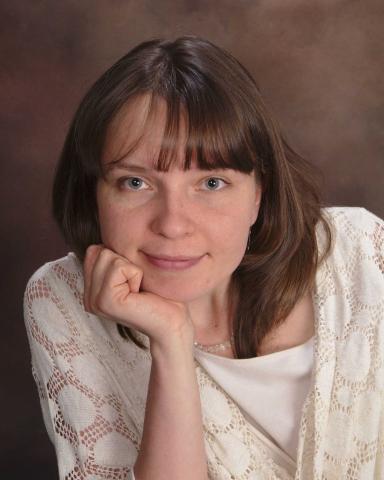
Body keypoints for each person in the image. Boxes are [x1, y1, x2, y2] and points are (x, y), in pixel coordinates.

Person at [23, 36, 384, 479]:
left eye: (211, 183)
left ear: (259, 194)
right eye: (135, 183)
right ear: (93, 193)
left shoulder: (361, 254)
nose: (173, 224)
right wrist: (171, 340)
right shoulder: (60, 299)